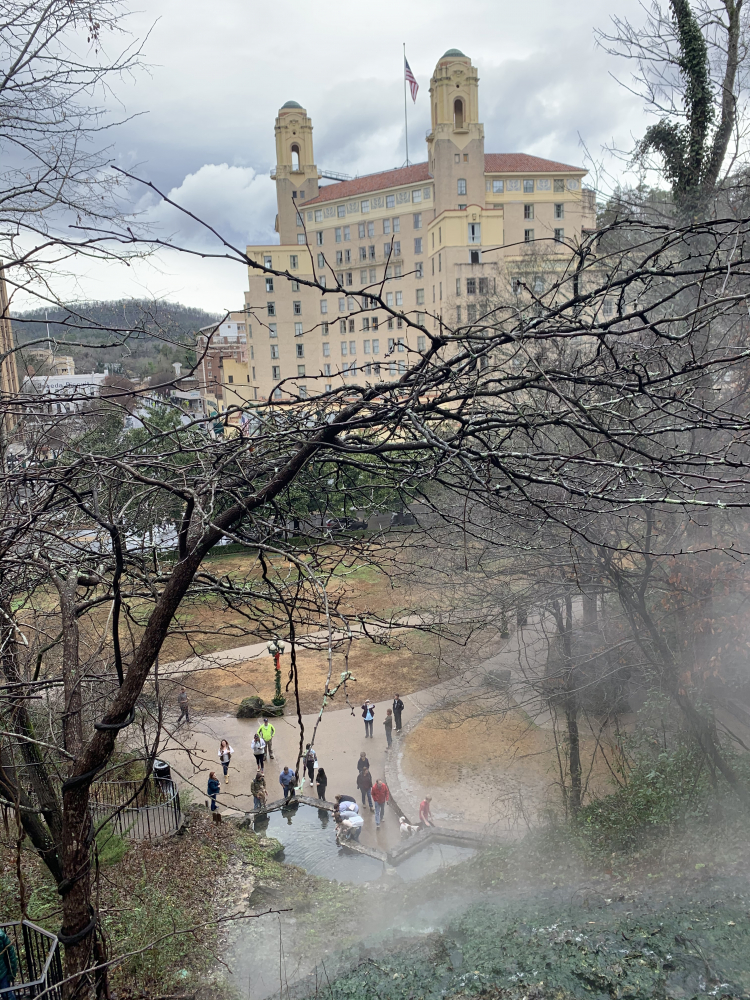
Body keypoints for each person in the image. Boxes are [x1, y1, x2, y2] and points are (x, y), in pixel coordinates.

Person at [0, 925, 17, 1000]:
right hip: (2, 971)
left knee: (7, 994)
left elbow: (10, 952)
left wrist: (12, 972)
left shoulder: (1, 935)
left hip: (2, 972)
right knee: (7, 994)